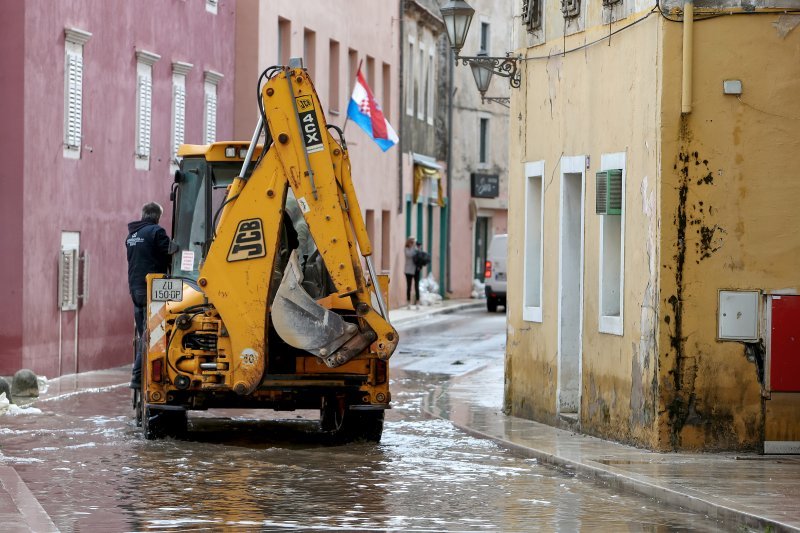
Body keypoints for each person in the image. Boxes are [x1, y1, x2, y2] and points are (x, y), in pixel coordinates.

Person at [126, 202, 171, 388]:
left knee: (143, 334)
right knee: (151, 335)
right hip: (151, 290)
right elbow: (171, 252)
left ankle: (141, 376)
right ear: (157, 217)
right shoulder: (156, 232)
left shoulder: (131, 236)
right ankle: (137, 378)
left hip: (135, 290)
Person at [404, 236, 419, 309]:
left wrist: (416, 246)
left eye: (413, 242)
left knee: (416, 286)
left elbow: (418, 254)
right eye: (411, 242)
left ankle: (417, 302)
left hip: (416, 270)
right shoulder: (407, 249)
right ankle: (408, 302)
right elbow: (409, 255)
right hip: (408, 270)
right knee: (409, 287)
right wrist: (413, 247)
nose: (412, 243)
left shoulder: (415, 248)